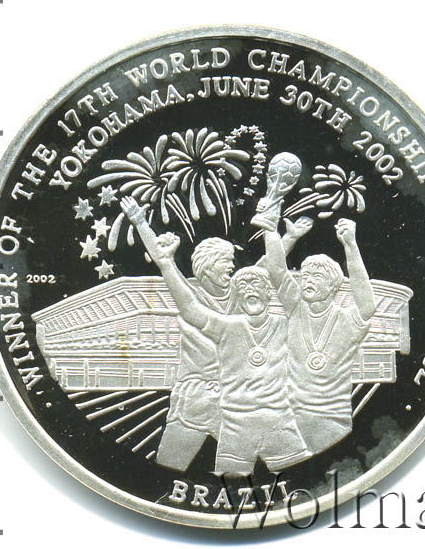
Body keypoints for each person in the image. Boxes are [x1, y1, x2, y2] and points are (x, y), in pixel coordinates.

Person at [120, 195, 311, 471]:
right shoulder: (190, 297)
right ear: (208, 265)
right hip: (195, 397)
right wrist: (140, 222)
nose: (233, 266)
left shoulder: (239, 292)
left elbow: (268, 266)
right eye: (226, 261)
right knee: (166, 469)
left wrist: (289, 238)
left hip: (236, 399)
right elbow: (165, 264)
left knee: (271, 466)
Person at [263, 217, 376, 454]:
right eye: (305, 276)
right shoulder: (294, 308)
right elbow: (276, 270)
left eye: (317, 277)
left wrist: (350, 245)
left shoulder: (347, 321)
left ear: (333, 285)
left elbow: (367, 304)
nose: (308, 281)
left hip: (332, 422)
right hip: (290, 420)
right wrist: (270, 229)